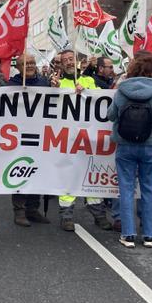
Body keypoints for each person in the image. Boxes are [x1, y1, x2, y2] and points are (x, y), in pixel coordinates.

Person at [107, 55, 152, 248]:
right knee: (149, 190)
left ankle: (128, 234)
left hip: (125, 146)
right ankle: (149, 235)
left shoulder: (122, 91)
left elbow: (111, 115)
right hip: (150, 146)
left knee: (126, 189)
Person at [49, 49, 112, 231]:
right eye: (65, 60)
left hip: (87, 140)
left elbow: (102, 98)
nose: (69, 62)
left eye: (71, 59)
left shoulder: (88, 80)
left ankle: (98, 214)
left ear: (76, 61)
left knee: (90, 175)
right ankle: (66, 216)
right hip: (66, 140)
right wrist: (54, 89)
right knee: (68, 177)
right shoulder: (56, 82)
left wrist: (87, 92)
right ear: (60, 64)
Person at [7, 53, 51, 227]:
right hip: (19, 136)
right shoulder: (11, 85)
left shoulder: (44, 83)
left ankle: (33, 209)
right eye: (26, 64)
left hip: (40, 134)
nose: (30, 66)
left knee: (37, 171)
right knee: (20, 170)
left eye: (32, 63)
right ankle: (19, 211)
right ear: (18, 67)